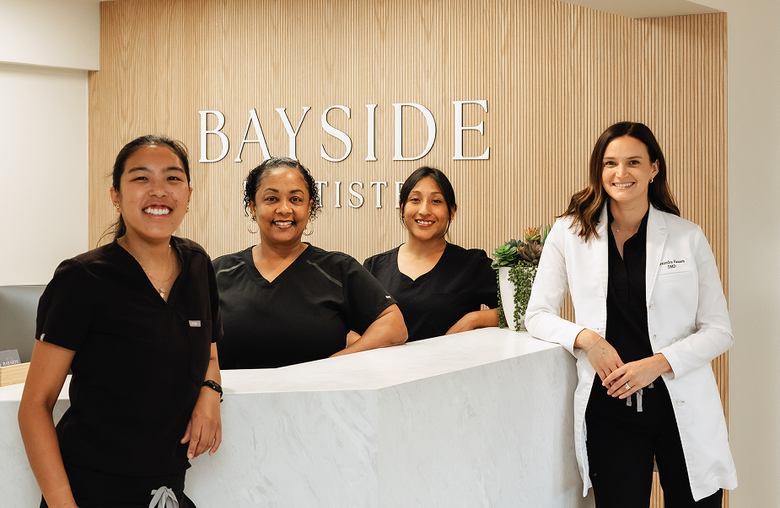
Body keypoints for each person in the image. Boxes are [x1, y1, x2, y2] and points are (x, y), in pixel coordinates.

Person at [525, 122, 737, 507]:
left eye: (633, 162)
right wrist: (589, 340)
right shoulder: (569, 233)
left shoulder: (687, 235)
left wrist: (656, 364)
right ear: (598, 170)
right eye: (610, 163)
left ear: (654, 168)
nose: (621, 174)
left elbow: (719, 330)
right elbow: (537, 314)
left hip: (678, 401)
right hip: (610, 408)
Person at [18, 135, 223, 508]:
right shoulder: (81, 279)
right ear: (115, 194)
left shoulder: (197, 265)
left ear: (189, 194)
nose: (159, 191)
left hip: (167, 491)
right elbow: (35, 404)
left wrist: (210, 393)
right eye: (141, 178)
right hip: (91, 490)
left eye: (173, 179)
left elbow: (208, 355)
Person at [214, 157, 407, 369]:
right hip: (231, 402)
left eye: (296, 199)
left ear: (309, 207)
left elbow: (394, 325)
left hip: (322, 401)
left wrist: (337, 361)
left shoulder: (338, 268)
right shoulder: (218, 272)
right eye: (271, 199)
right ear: (253, 206)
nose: (284, 209)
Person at [363, 166, 498, 342]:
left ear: (452, 211)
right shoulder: (374, 267)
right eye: (415, 200)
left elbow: (523, 309)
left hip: (453, 368)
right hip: (387, 369)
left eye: (436, 201)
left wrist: (474, 319)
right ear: (402, 207)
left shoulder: (472, 264)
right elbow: (350, 326)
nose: (425, 210)